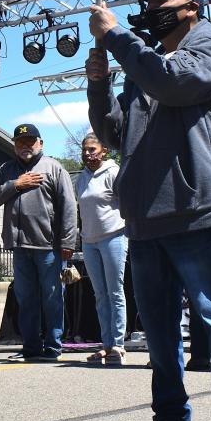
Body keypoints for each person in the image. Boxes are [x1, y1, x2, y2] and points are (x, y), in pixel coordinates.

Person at [87, 0, 211, 421]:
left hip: (196, 211)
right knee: (160, 330)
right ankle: (169, 420)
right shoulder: (147, 63)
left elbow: (173, 82)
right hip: (147, 217)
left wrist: (116, 37)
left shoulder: (210, 47)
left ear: (193, 6)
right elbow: (114, 132)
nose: (154, 4)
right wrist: (99, 86)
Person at [0, 123, 77, 362]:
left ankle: (53, 347)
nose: (25, 146)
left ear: (41, 143)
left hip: (49, 247)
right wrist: (16, 184)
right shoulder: (6, 169)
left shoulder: (54, 168)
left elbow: (69, 208)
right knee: (26, 299)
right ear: (14, 145)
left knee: (52, 298)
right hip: (19, 247)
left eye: (30, 141)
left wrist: (68, 242)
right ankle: (31, 347)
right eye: (20, 142)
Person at [74, 133, 128, 366]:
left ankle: (118, 345)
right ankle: (106, 345)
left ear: (104, 150)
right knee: (100, 294)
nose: (88, 154)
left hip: (114, 237)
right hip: (89, 241)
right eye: (85, 150)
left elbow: (127, 203)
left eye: (92, 149)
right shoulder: (81, 178)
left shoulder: (114, 172)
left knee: (115, 292)